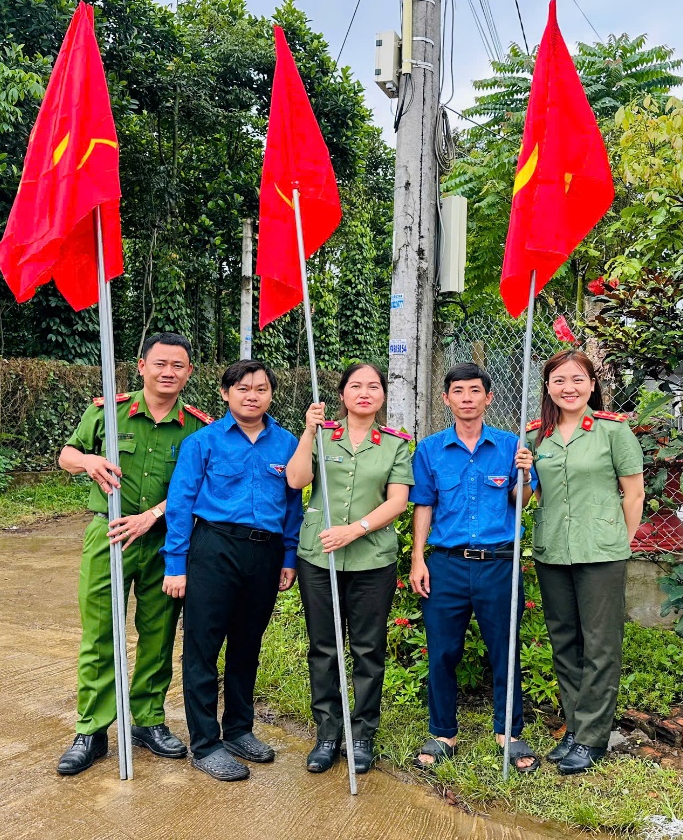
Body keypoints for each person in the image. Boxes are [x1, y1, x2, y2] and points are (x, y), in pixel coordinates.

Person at [54, 332, 211, 777]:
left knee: (158, 635)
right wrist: (87, 462)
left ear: (188, 373)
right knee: (101, 634)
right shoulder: (108, 408)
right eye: (160, 363)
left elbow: (202, 488)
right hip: (107, 535)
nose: (168, 372)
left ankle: (147, 720)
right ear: (141, 366)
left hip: (167, 541)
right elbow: (67, 452)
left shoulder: (198, 427)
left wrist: (153, 515)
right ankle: (92, 729)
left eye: (177, 366)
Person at [161, 359, 302, 782]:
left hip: (265, 553)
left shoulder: (287, 443)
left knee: (247, 646)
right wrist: (176, 564)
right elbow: (181, 503)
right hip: (213, 549)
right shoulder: (202, 443)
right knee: (202, 648)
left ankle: (239, 730)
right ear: (225, 394)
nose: (251, 395)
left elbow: (294, 504)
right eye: (242, 388)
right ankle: (205, 744)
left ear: (271, 395)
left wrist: (289, 557)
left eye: (260, 388)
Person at [407, 362, 539, 774]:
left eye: (475, 391)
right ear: (446, 399)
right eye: (458, 391)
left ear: (489, 397)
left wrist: (524, 475)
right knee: (443, 651)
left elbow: (520, 504)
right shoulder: (430, 449)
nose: (467, 398)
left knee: (505, 649)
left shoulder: (510, 445)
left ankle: (508, 733)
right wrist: (417, 558)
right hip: (446, 565)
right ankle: (444, 731)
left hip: (498, 564)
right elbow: (424, 505)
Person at [519, 350, 645, 775]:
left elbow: (634, 494)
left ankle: (592, 738)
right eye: (558, 380)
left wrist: (619, 541)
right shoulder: (536, 437)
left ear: (592, 384)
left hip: (602, 553)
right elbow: (527, 498)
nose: (568, 388)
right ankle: (576, 726)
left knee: (600, 645)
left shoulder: (612, 432)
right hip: (554, 550)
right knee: (564, 642)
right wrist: (521, 474)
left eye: (576, 379)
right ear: (548, 388)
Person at [286, 363, 413, 776]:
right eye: (355, 386)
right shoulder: (322, 435)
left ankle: (362, 735)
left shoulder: (395, 444)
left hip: (372, 558)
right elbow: (295, 479)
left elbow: (397, 502)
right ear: (341, 395)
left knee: (367, 649)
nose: (364, 392)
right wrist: (308, 430)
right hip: (319, 557)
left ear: (382, 395)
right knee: (324, 647)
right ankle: (327, 733)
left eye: (372, 386)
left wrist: (354, 530)